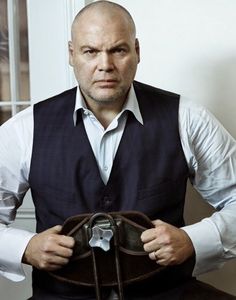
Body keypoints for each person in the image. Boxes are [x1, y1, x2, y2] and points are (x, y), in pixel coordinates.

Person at [0, 1, 236, 299]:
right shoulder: (25, 129)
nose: (105, 65)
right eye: (90, 51)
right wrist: (25, 248)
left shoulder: (187, 118)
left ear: (137, 51)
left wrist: (193, 240)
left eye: (118, 50)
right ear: (71, 54)